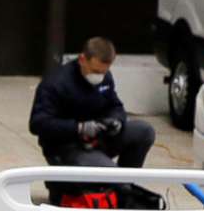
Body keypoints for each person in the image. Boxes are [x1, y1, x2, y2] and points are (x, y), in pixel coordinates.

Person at [30, 36, 154, 170]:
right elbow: (38, 123)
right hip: (67, 147)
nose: (99, 76)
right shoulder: (56, 83)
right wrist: (78, 128)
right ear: (82, 59)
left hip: (98, 138)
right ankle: (118, 183)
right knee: (110, 173)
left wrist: (116, 121)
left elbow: (115, 106)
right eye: (95, 71)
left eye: (103, 71)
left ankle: (127, 181)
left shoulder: (105, 78)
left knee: (144, 131)